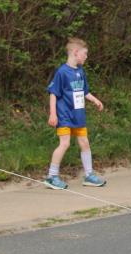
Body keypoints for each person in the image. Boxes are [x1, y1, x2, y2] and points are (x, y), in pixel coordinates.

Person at [45, 38, 106, 189]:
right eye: (85, 53)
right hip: (65, 115)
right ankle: (52, 176)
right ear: (76, 52)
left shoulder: (80, 71)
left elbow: (84, 91)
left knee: (85, 143)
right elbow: (53, 93)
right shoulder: (62, 72)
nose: (86, 56)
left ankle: (89, 175)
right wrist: (53, 114)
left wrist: (95, 100)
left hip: (78, 116)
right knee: (64, 143)